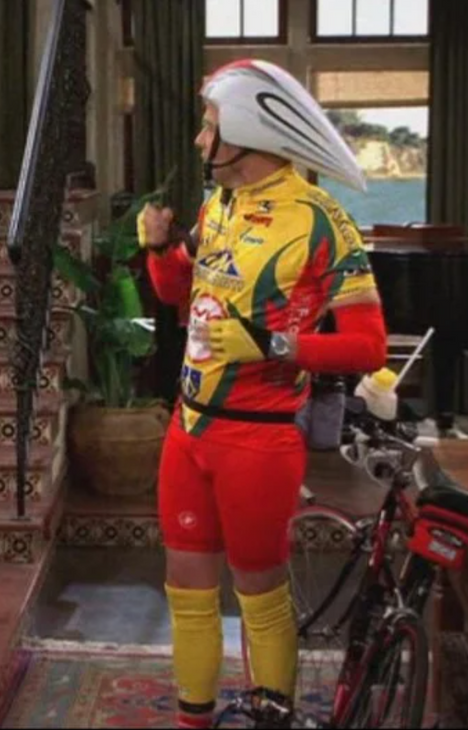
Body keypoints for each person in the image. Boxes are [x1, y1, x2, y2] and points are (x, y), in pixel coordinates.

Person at [137, 58, 388, 729]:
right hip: (188, 430)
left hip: (258, 439)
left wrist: (272, 345)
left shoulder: (321, 220)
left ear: (246, 130)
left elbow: (368, 347)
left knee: (260, 598)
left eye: (210, 125)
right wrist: (160, 251)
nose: (200, 139)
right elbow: (177, 293)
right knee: (187, 596)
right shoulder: (217, 203)